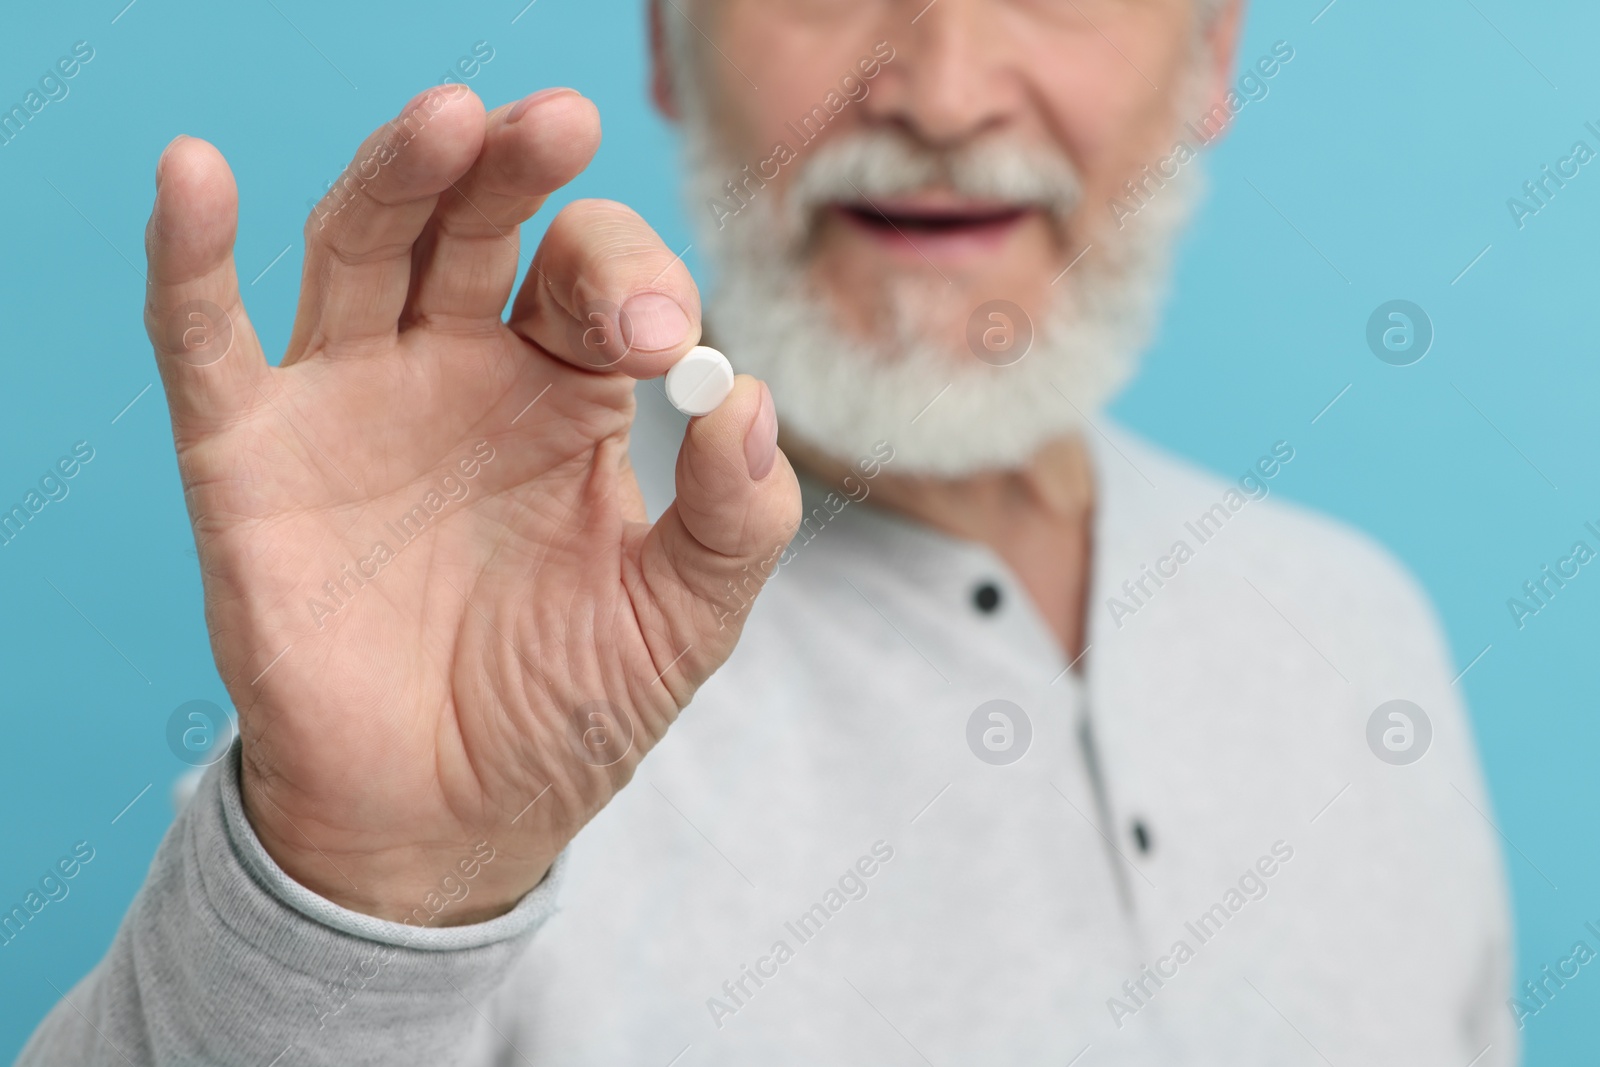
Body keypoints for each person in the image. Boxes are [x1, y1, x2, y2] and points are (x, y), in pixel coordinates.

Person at [22, 0, 1514, 1063]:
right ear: (673, 44)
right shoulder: (465, 681)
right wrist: (362, 892)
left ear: (1213, 54)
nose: (939, 89)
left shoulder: (1357, 630)